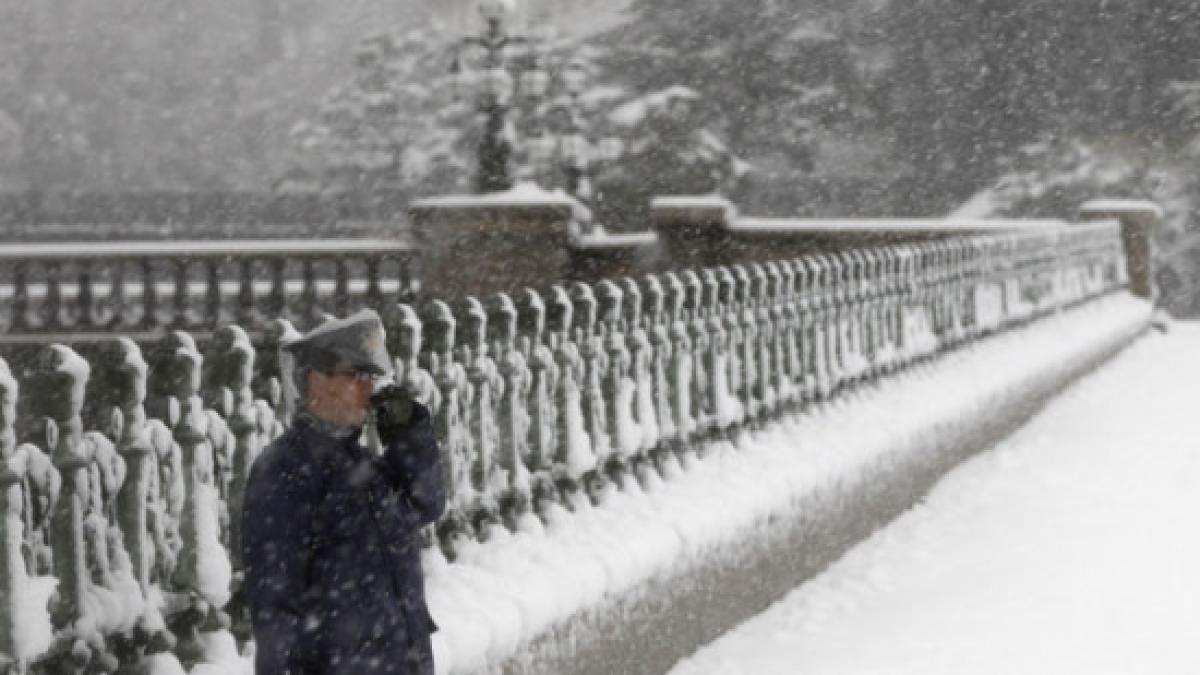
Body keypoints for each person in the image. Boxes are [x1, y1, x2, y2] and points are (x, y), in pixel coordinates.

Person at [242, 309, 446, 675]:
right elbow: (274, 601)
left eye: (370, 377)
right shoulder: (284, 469)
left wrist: (407, 436)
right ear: (318, 382)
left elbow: (425, 504)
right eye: (356, 377)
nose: (369, 391)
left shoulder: (363, 465)